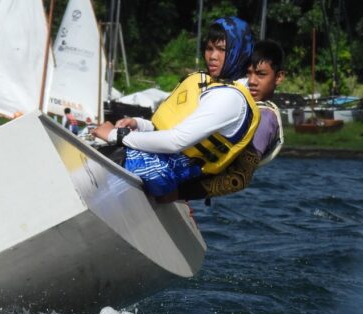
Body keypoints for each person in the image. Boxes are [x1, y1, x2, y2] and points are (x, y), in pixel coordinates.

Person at [93, 16, 258, 198]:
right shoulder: (217, 88)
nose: (212, 56)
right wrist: (140, 125)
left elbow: (175, 141)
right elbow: (175, 130)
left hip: (157, 173)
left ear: (240, 52)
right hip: (156, 169)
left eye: (222, 49)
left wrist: (116, 135)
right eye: (209, 48)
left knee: (100, 149)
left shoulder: (230, 98)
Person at [178, 40, 286, 201]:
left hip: (180, 182)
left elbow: (238, 179)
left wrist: (177, 194)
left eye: (261, 74)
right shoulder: (237, 99)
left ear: (279, 77)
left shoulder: (265, 119)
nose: (252, 81)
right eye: (248, 73)